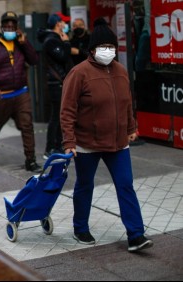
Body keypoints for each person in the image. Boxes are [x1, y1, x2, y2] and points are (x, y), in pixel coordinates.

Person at [60, 18, 153, 252]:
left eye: (112, 47)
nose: (108, 51)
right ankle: (80, 227)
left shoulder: (121, 72)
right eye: (103, 47)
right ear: (92, 50)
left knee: (125, 185)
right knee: (85, 185)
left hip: (118, 142)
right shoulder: (78, 73)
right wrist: (69, 141)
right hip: (87, 143)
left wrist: (131, 128)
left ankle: (136, 235)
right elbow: (68, 110)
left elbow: (126, 104)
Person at [0, 11, 41, 172]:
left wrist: (25, 43)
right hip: (3, 94)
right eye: (7, 26)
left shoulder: (20, 44)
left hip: (21, 93)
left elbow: (34, 60)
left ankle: (31, 159)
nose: (9, 29)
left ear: (17, 28)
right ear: (1, 28)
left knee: (27, 126)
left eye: (12, 26)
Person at [38, 12, 74, 160]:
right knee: (57, 116)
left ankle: (58, 145)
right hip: (56, 83)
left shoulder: (55, 39)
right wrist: (66, 43)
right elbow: (63, 57)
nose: (65, 25)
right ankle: (51, 148)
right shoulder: (51, 41)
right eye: (63, 22)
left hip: (60, 82)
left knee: (61, 115)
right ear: (58, 24)